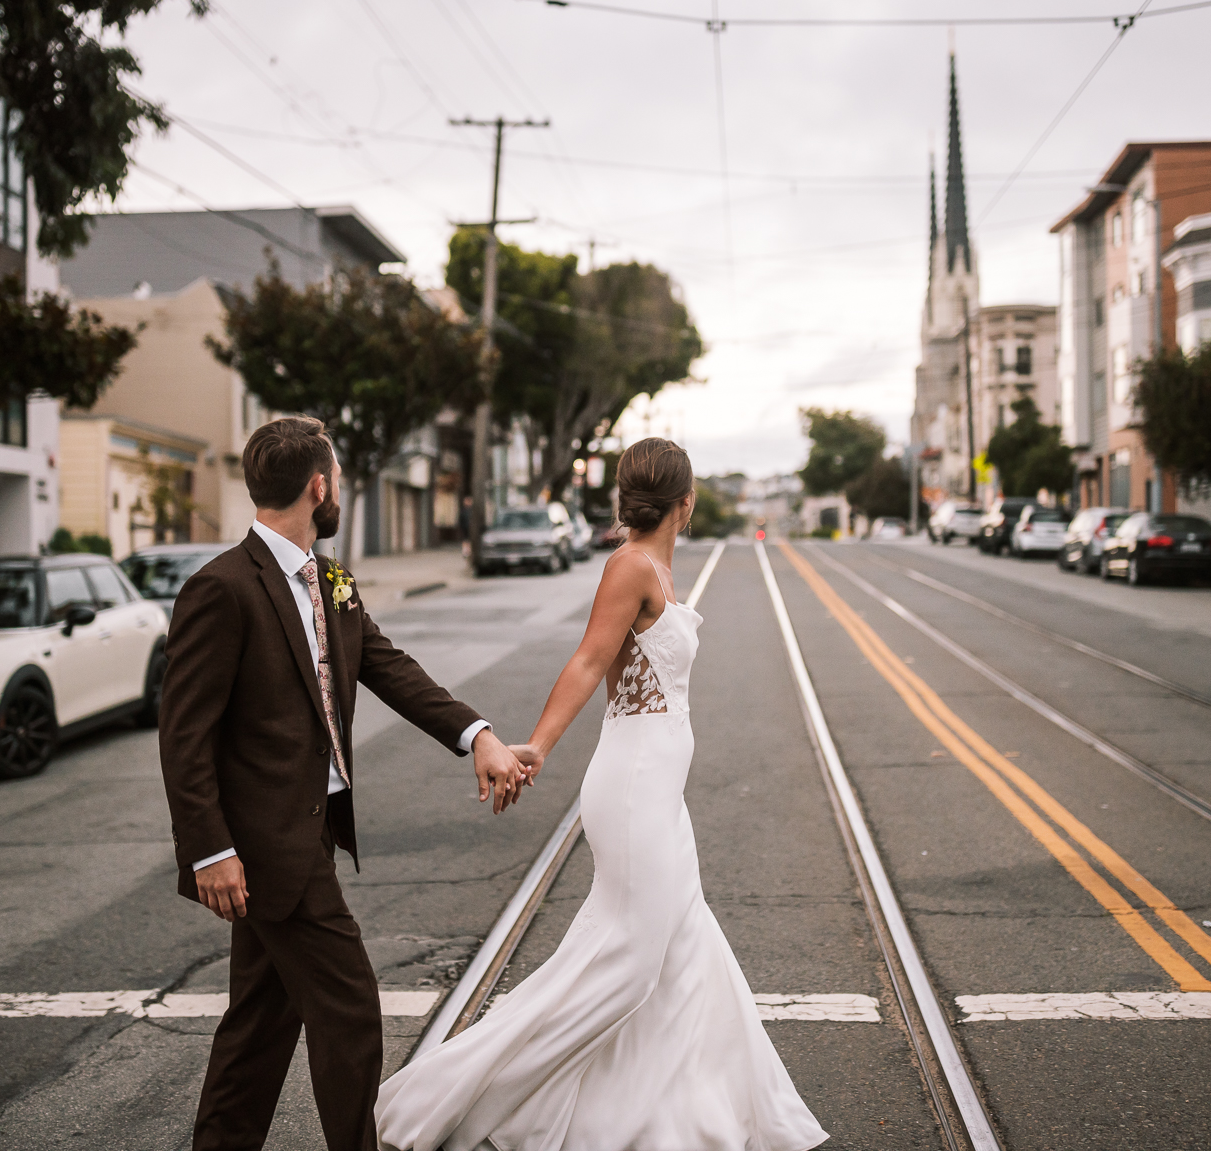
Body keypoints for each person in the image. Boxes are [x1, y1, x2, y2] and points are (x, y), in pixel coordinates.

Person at [375, 437, 828, 1151]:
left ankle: (683, 1113)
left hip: (659, 789)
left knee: (683, 949)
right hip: (633, 787)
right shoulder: (628, 566)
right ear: (686, 503)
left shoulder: (655, 569)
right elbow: (588, 661)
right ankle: (458, 1096)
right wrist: (538, 748)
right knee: (630, 959)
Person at [157, 415, 531, 1151]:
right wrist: (209, 850)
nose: (338, 494)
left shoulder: (329, 580)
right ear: (318, 485)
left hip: (312, 830)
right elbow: (184, 734)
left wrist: (476, 734)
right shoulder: (222, 589)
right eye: (337, 483)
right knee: (351, 1011)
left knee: (259, 1024)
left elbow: (389, 669)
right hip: (265, 846)